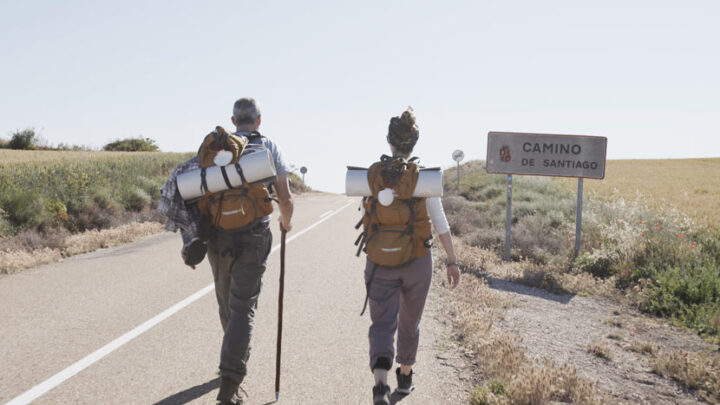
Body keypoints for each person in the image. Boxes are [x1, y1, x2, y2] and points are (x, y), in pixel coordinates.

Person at [158, 97, 293, 405]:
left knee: (227, 306)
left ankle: (233, 360)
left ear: (233, 121)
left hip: (218, 237)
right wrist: (287, 222)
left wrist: (190, 239)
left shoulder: (215, 150)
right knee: (243, 307)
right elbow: (284, 197)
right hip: (254, 236)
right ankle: (230, 382)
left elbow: (193, 193)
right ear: (259, 120)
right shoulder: (268, 147)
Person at [357, 108, 460, 405]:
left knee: (381, 324)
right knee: (409, 321)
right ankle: (404, 378)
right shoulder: (423, 178)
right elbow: (439, 222)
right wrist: (452, 261)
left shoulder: (374, 175)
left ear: (390, 141)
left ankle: (380, 385)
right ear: (414, 142)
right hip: (416, 261)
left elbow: (366, 215)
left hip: (378, 261)